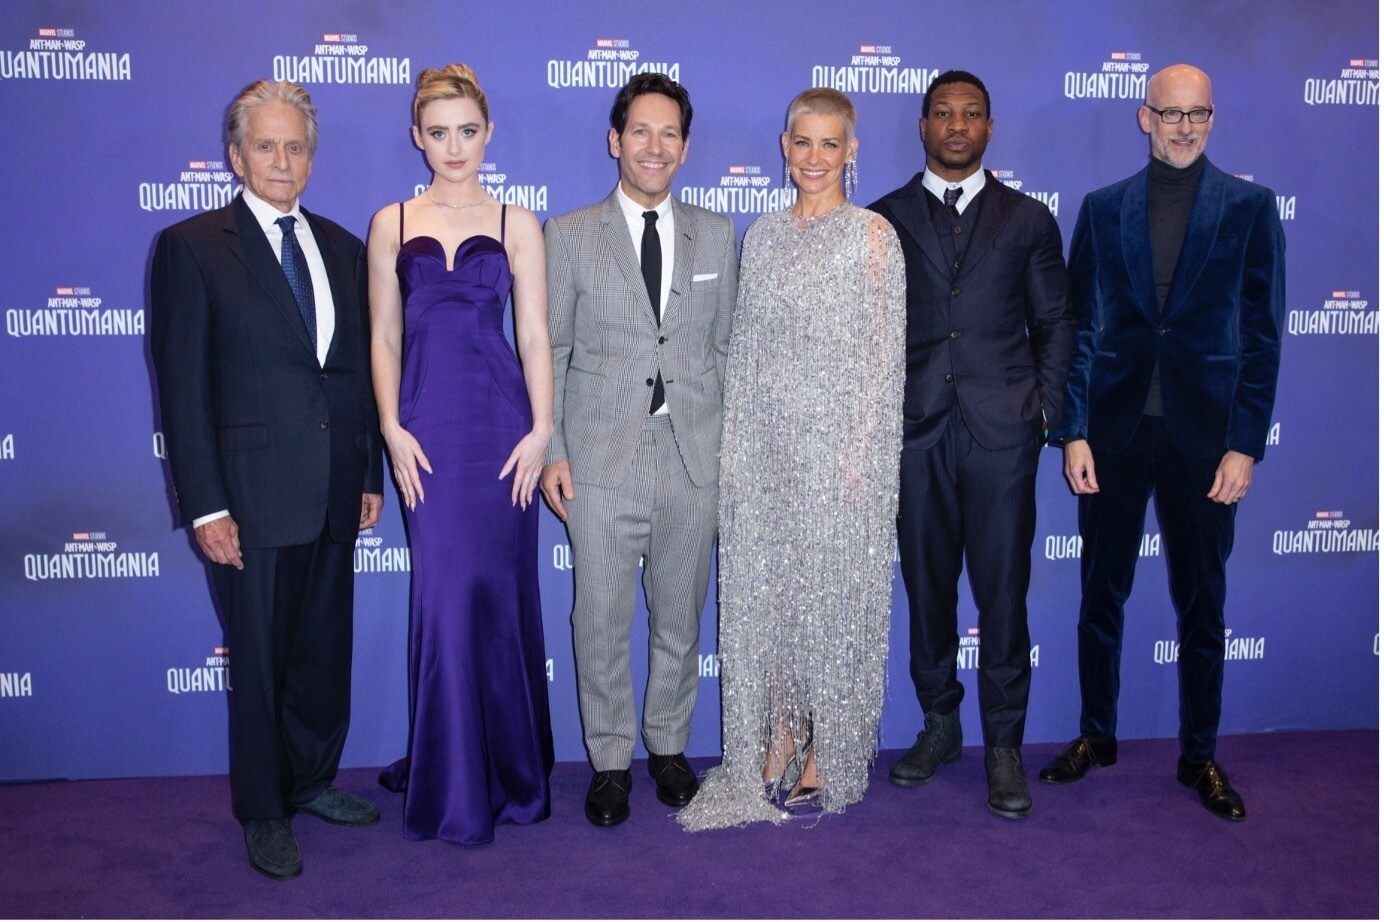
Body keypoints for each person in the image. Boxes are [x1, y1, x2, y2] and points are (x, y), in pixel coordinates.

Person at [150, 80, 383, 880]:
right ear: (236, 155)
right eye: (267, 146)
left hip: (331, 491)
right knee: (257, 661)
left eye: (296, 148)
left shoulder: (344, 247)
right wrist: (205, 503)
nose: (282, 161)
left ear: (310, 159)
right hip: (247, 500)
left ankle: (313, 780)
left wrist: (368, 473)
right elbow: (182, 388)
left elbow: (353, 376)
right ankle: (264, 810)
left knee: (322, 652)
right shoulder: (192, 246)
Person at [1041, 64, 1285, 822]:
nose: (1183, 126)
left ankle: (1200, 755)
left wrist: (1245, 444)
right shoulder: (1105, 208)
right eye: (1169, 113)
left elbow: (1263, 336)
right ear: (1144, 117)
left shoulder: (1249, 208)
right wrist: (1073, 429)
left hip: (1206, 440)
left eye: (1197, 114)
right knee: (1099, 596)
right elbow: (1080, 327)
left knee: (1202, 602)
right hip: (1114, 434)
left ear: (1212, 119)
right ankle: (1095, 736)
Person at [678, 87, 906, 830]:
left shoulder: (873, 236)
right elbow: (743, 354)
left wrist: (859, 456)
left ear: (852, 151)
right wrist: (738, 446)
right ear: (784, 146)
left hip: (839, 454)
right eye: (801, 143)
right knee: (766, 600)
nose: (814, 158)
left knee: (831, 603)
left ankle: (827, 753)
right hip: (766, 449)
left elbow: (883, 362)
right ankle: (772, 740)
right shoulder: (763, 236)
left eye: (829, 144)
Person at [869, 70, 1074, 819]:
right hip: (914, 432)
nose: (957, 126)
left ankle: (1006, 747)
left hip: (1001, 436)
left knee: (1002, 595)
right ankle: (940, 723)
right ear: (923, 125)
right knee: (927, 590)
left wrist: (1042, 415)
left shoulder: (1029, 220)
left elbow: (1057, 324)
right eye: (944, 114)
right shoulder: (881, 219)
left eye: (972, 114)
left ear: (990, 128)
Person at [541, 73, 738, 827]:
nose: (655, 146)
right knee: (598, 618)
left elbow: (725, 349)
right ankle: (611, 760)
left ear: (684, 148)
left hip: (692, 457)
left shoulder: (717, 233)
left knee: (680, 620)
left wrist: (725, 456)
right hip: (597, 461)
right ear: (615, 141)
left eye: (669, 134)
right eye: (641, 132)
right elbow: (550, 351)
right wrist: (555, 448)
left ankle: (668, 747)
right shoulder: (569, 234)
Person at [370, 64, 555, 846]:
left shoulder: (518, 220)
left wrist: (542, 429)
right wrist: (390, 426)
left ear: (488, 134)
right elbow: (383, 334)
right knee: (444, 596)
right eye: (438, 132)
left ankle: (511, 771)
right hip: (425, 429)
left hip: (501, 423)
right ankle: (450, 779)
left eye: (467, 131)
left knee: (500, 592)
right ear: (418, 137)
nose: (454, 146)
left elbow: (536, 334)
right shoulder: (392, 222)